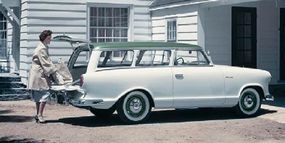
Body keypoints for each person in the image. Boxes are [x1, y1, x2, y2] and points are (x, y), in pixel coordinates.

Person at [28, 30, 57, 123]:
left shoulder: (42, 47)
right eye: (49, 38)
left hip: (37, 72)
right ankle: (40, 115)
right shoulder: (41, 49)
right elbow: (46, 63)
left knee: (39, 95)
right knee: (45, 93)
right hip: (39, 73)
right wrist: (54, 72)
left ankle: (38, 114)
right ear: (44, 38)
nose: (50, 40)